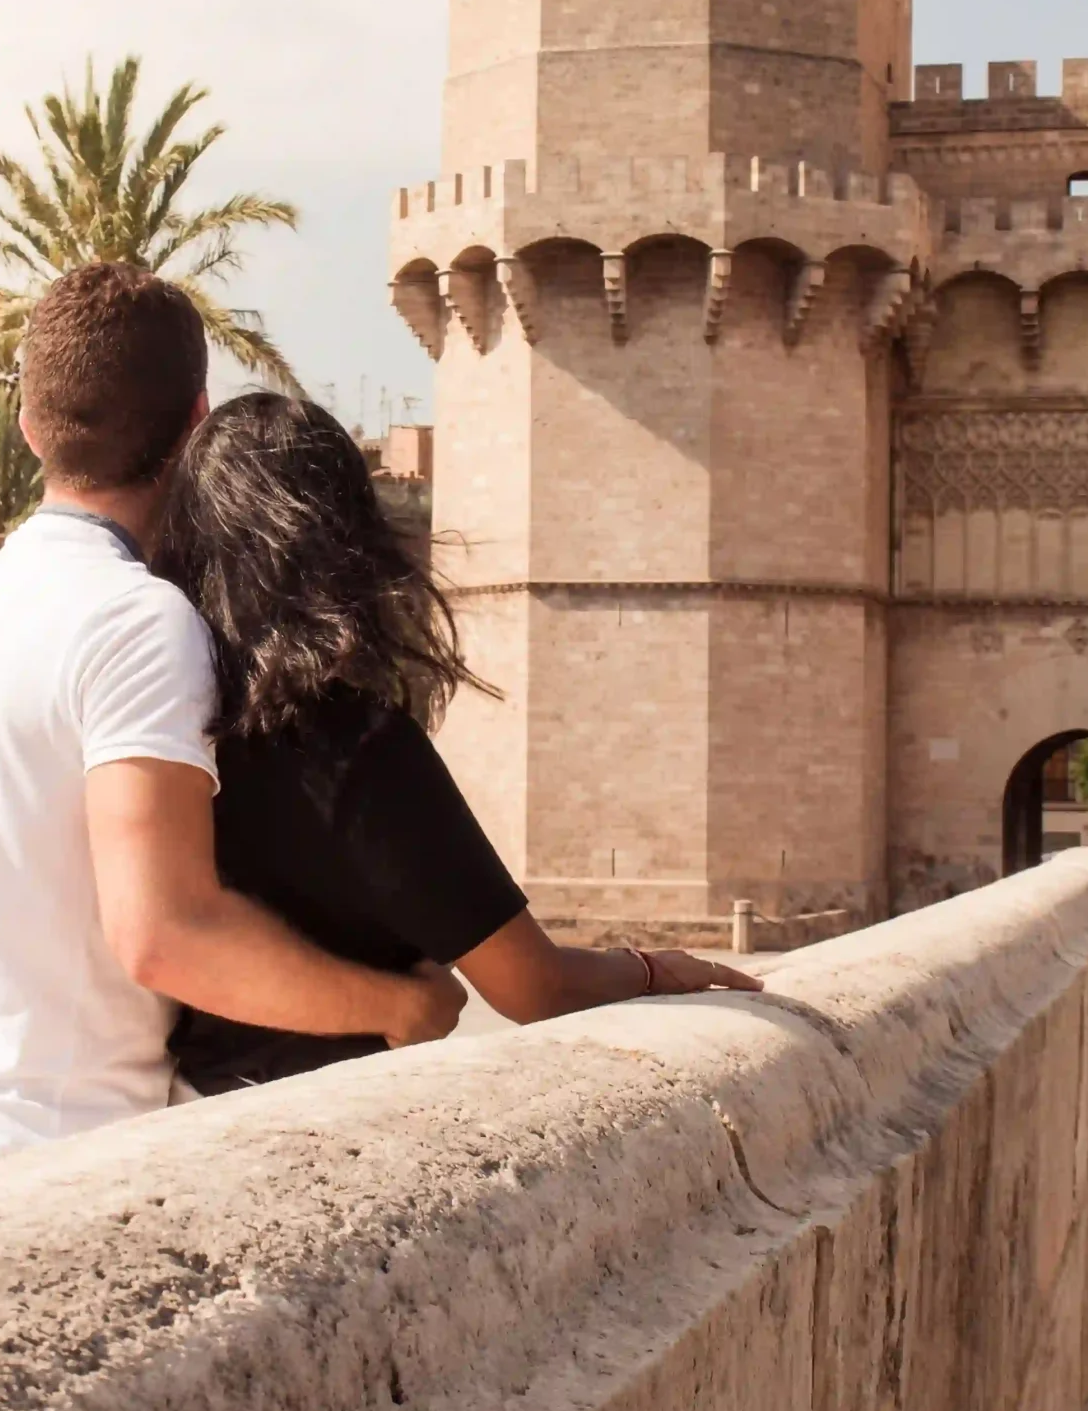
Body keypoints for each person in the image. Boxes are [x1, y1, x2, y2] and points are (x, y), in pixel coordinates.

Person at [0, 266, 465, 1186]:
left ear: (30, 429)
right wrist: (397, 1005)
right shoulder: (135, 620)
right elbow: (164, 932)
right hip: (46, 1160)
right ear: (195, 424)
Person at [153, 390, 760, 1096]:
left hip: (189, 1102)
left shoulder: (164, 722)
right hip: (331, 1104)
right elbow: (534, 986)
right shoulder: (354, 747)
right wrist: (651, 968)